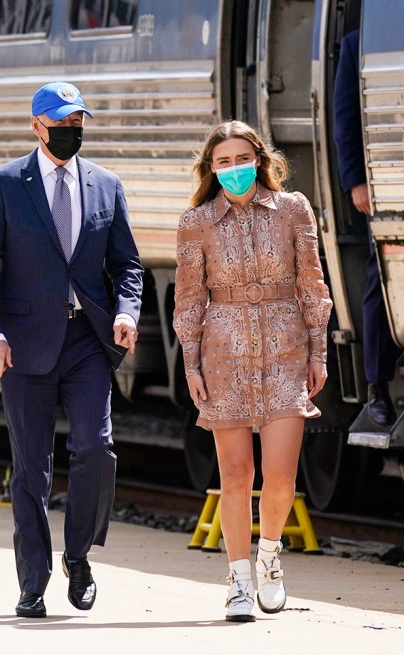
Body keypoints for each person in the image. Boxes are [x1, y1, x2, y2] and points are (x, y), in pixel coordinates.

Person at [0, 82, 143, 618]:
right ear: (36, 125)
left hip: (87, 340)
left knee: (96, 447)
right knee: (31, 469)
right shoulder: (3, 183)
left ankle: (80, 555)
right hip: (22, 345)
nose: (73, 131)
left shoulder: (107, 185)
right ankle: (32, 581)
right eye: (63, 122)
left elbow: (128, 265)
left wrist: (125, 311)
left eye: (79, 121)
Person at [173, 120, 332, 622]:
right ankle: (238, 582)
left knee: (281, 477)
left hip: (286, 346)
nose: (234, 169)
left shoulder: (293, 210)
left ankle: (269, 560)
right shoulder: (195, 222)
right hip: (224, 350)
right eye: (223, 162)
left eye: (243, 159)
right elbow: (188, 301)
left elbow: (312, 283)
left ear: (260, 160)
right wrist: (191, 363)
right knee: (236, 475)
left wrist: (319, 351)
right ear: (211, 169)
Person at [333, 28, 400, 425]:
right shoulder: (359, 41)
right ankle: (377, 387)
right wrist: (356, 180)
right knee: (381, 273)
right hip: (383, 179)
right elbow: (345, 114)